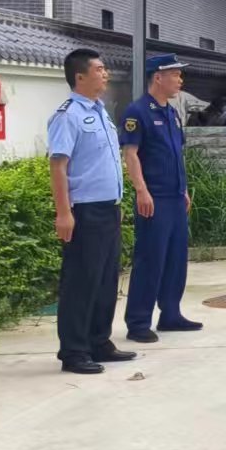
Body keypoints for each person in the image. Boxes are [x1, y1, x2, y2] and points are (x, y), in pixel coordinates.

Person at [47, 49, 132, 374]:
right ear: (80, 76)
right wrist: (63, 213)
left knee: (107, 279)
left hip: (108, 210)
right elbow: (58, 166)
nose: (105, 73)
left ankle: (99, 341)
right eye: (99, 69)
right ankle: (74, 351)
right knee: (81, 281)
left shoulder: (100, 112)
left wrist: (117, 203)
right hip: (84, 211)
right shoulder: (67, 116)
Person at [120, 54, 202, 343]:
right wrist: (141, 190)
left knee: (176, 259)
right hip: (153, 198)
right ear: (158, 77)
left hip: (175, 197)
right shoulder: (138, 111)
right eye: (175, 74)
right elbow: (131, 155)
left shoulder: (171, 112)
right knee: (150, 259)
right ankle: (139, 322)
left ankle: (171, 314)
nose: (180, 79)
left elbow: (176, 155)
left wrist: (184, 189)